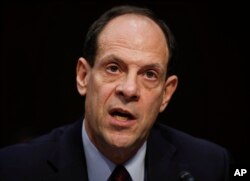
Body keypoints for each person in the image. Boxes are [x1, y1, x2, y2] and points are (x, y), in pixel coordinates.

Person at [0, 5, 229, 181]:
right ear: (83, 77)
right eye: (113, 68)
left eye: (149, 74)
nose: (129, 89)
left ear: (166, 94)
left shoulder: (211, 167)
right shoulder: (13, 169)